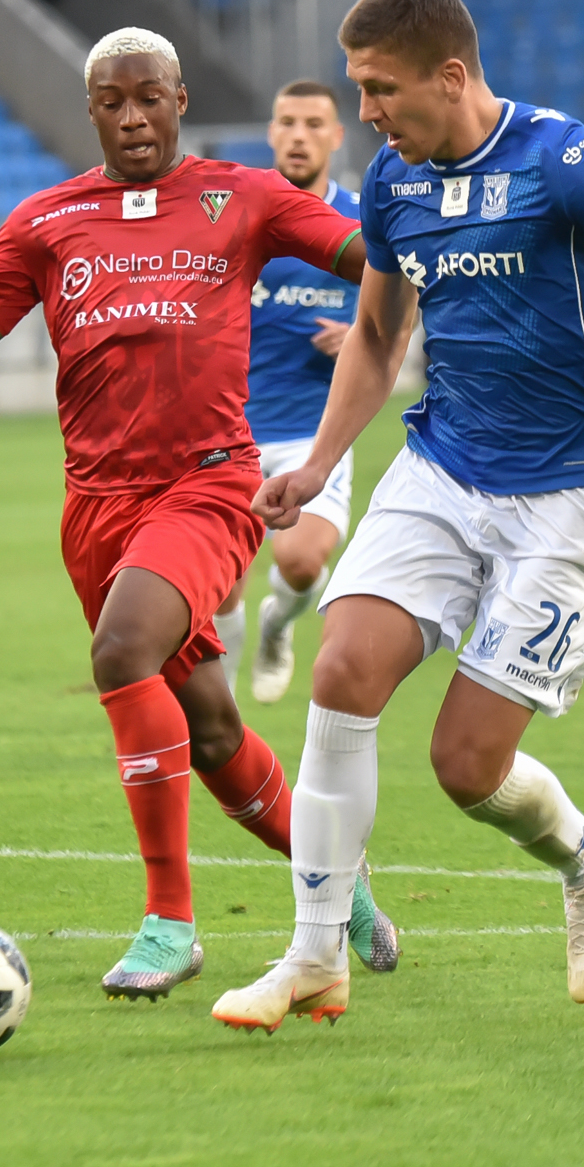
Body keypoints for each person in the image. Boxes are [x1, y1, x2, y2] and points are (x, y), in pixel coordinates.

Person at [0, 27, 399, 999]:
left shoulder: (242, 196)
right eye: (113, 102)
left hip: (209, 483)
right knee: (213, 731)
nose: (133, 117)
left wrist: (417, 240)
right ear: (91, 110)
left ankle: (169, 923)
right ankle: (335, 875)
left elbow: (374, 258)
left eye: (150, 97)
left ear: (180, 100)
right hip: (96, 509)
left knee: (121, 652)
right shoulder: (47, 220)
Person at [210, 0, 584, 1032]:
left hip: (564, 498)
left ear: (449, 76)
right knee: (342, 671)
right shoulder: (393, 182)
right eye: (357, 88)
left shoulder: (561, 158)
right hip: (441, 469)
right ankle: (312, 956)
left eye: (379, 87)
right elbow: (375, 334)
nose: (364, 111)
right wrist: (318, 463)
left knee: (464, 765)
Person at [211, 79, 362, 705]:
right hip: (229, 433)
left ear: (336, 136)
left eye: (313, 124)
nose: (299, 136)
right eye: (287, 123)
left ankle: (278, 626)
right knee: (219, 586)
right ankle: (219, 719)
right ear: (271, 133)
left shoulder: (362, 220)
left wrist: (362, 335)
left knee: (300, 563)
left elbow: (408, 304)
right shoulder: (235, 217)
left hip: (313, 433)